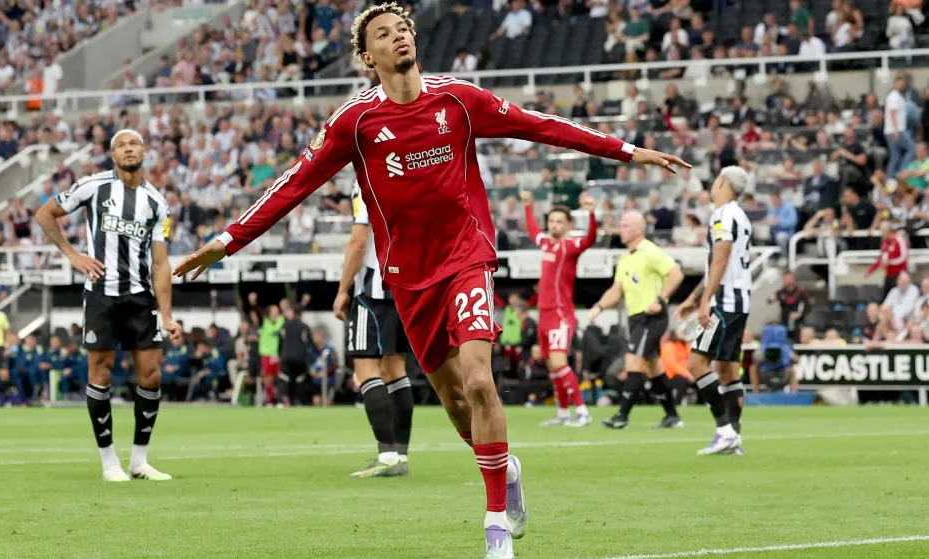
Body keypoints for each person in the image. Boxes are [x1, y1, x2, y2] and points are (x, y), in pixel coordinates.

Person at [173, 4, 688, 556]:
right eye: (383, 35)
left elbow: (541, 126)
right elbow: (293, 184)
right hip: (407, 279)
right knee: (453, 401)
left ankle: (494, 526)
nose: (398, 38)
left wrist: (627, 151)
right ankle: (504, 467)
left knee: (479, 380)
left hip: (467, 258)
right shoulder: (355, 122)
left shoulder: (459, 100)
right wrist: (227, 242)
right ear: (368, 57)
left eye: (402, 29)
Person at [35, 129, 182, 483]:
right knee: (100, 372)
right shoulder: (93, 185)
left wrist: (167, 314)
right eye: (122, 145)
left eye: (134, 144)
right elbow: (45, 214)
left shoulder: (157, 202)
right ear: (113, 154)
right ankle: (108, 462)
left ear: (144, 151)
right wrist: (73, 255)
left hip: (141, 296)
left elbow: (161, 263)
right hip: (101, 293)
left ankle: (139, 461)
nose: (129, 149)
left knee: (152, 374)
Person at [334, 181, 415, 477]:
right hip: (408, 285)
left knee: (366, 369)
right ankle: (401, 456)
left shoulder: (367, 179)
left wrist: (343, 289)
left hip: (375, 290)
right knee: (395, 370)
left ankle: (388, 454)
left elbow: (359, 241)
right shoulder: (404, 169)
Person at [674, 166, 752, 456]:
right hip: (739, 300)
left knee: (696, 363)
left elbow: (720, 259)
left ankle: (725, 432)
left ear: (722, 182)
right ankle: (734, 438)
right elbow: (717, 265)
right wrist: (695, 297)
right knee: (728, 368)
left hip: (725, 302)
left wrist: (706, 301)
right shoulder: (739, 215)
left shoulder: (723, 214)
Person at [588, 213, 685, 429]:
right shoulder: (625, 259)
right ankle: (672, 415)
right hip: (636, 318)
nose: (620, 229)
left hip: (651, 317)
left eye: (625, 225)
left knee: (633, 360)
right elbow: (617, 290)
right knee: (653, 367)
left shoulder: (650, 251)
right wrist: (599, 306)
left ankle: (622, 415)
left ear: (638, 230)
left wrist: (660, 299)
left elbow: (676, 274)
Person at [519, 190, 596, 427]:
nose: (554, 225)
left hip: (561, 313)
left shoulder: (569, 246)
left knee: (560, 363)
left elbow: (589, 239)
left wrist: (591, 215)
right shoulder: (545, 244)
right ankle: (563, 413)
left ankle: (582, 411)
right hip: (544, 313)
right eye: (551, 221)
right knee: (552, 365)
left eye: (559, 221)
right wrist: (529, 207)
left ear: (569, 224)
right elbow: (533, 231)